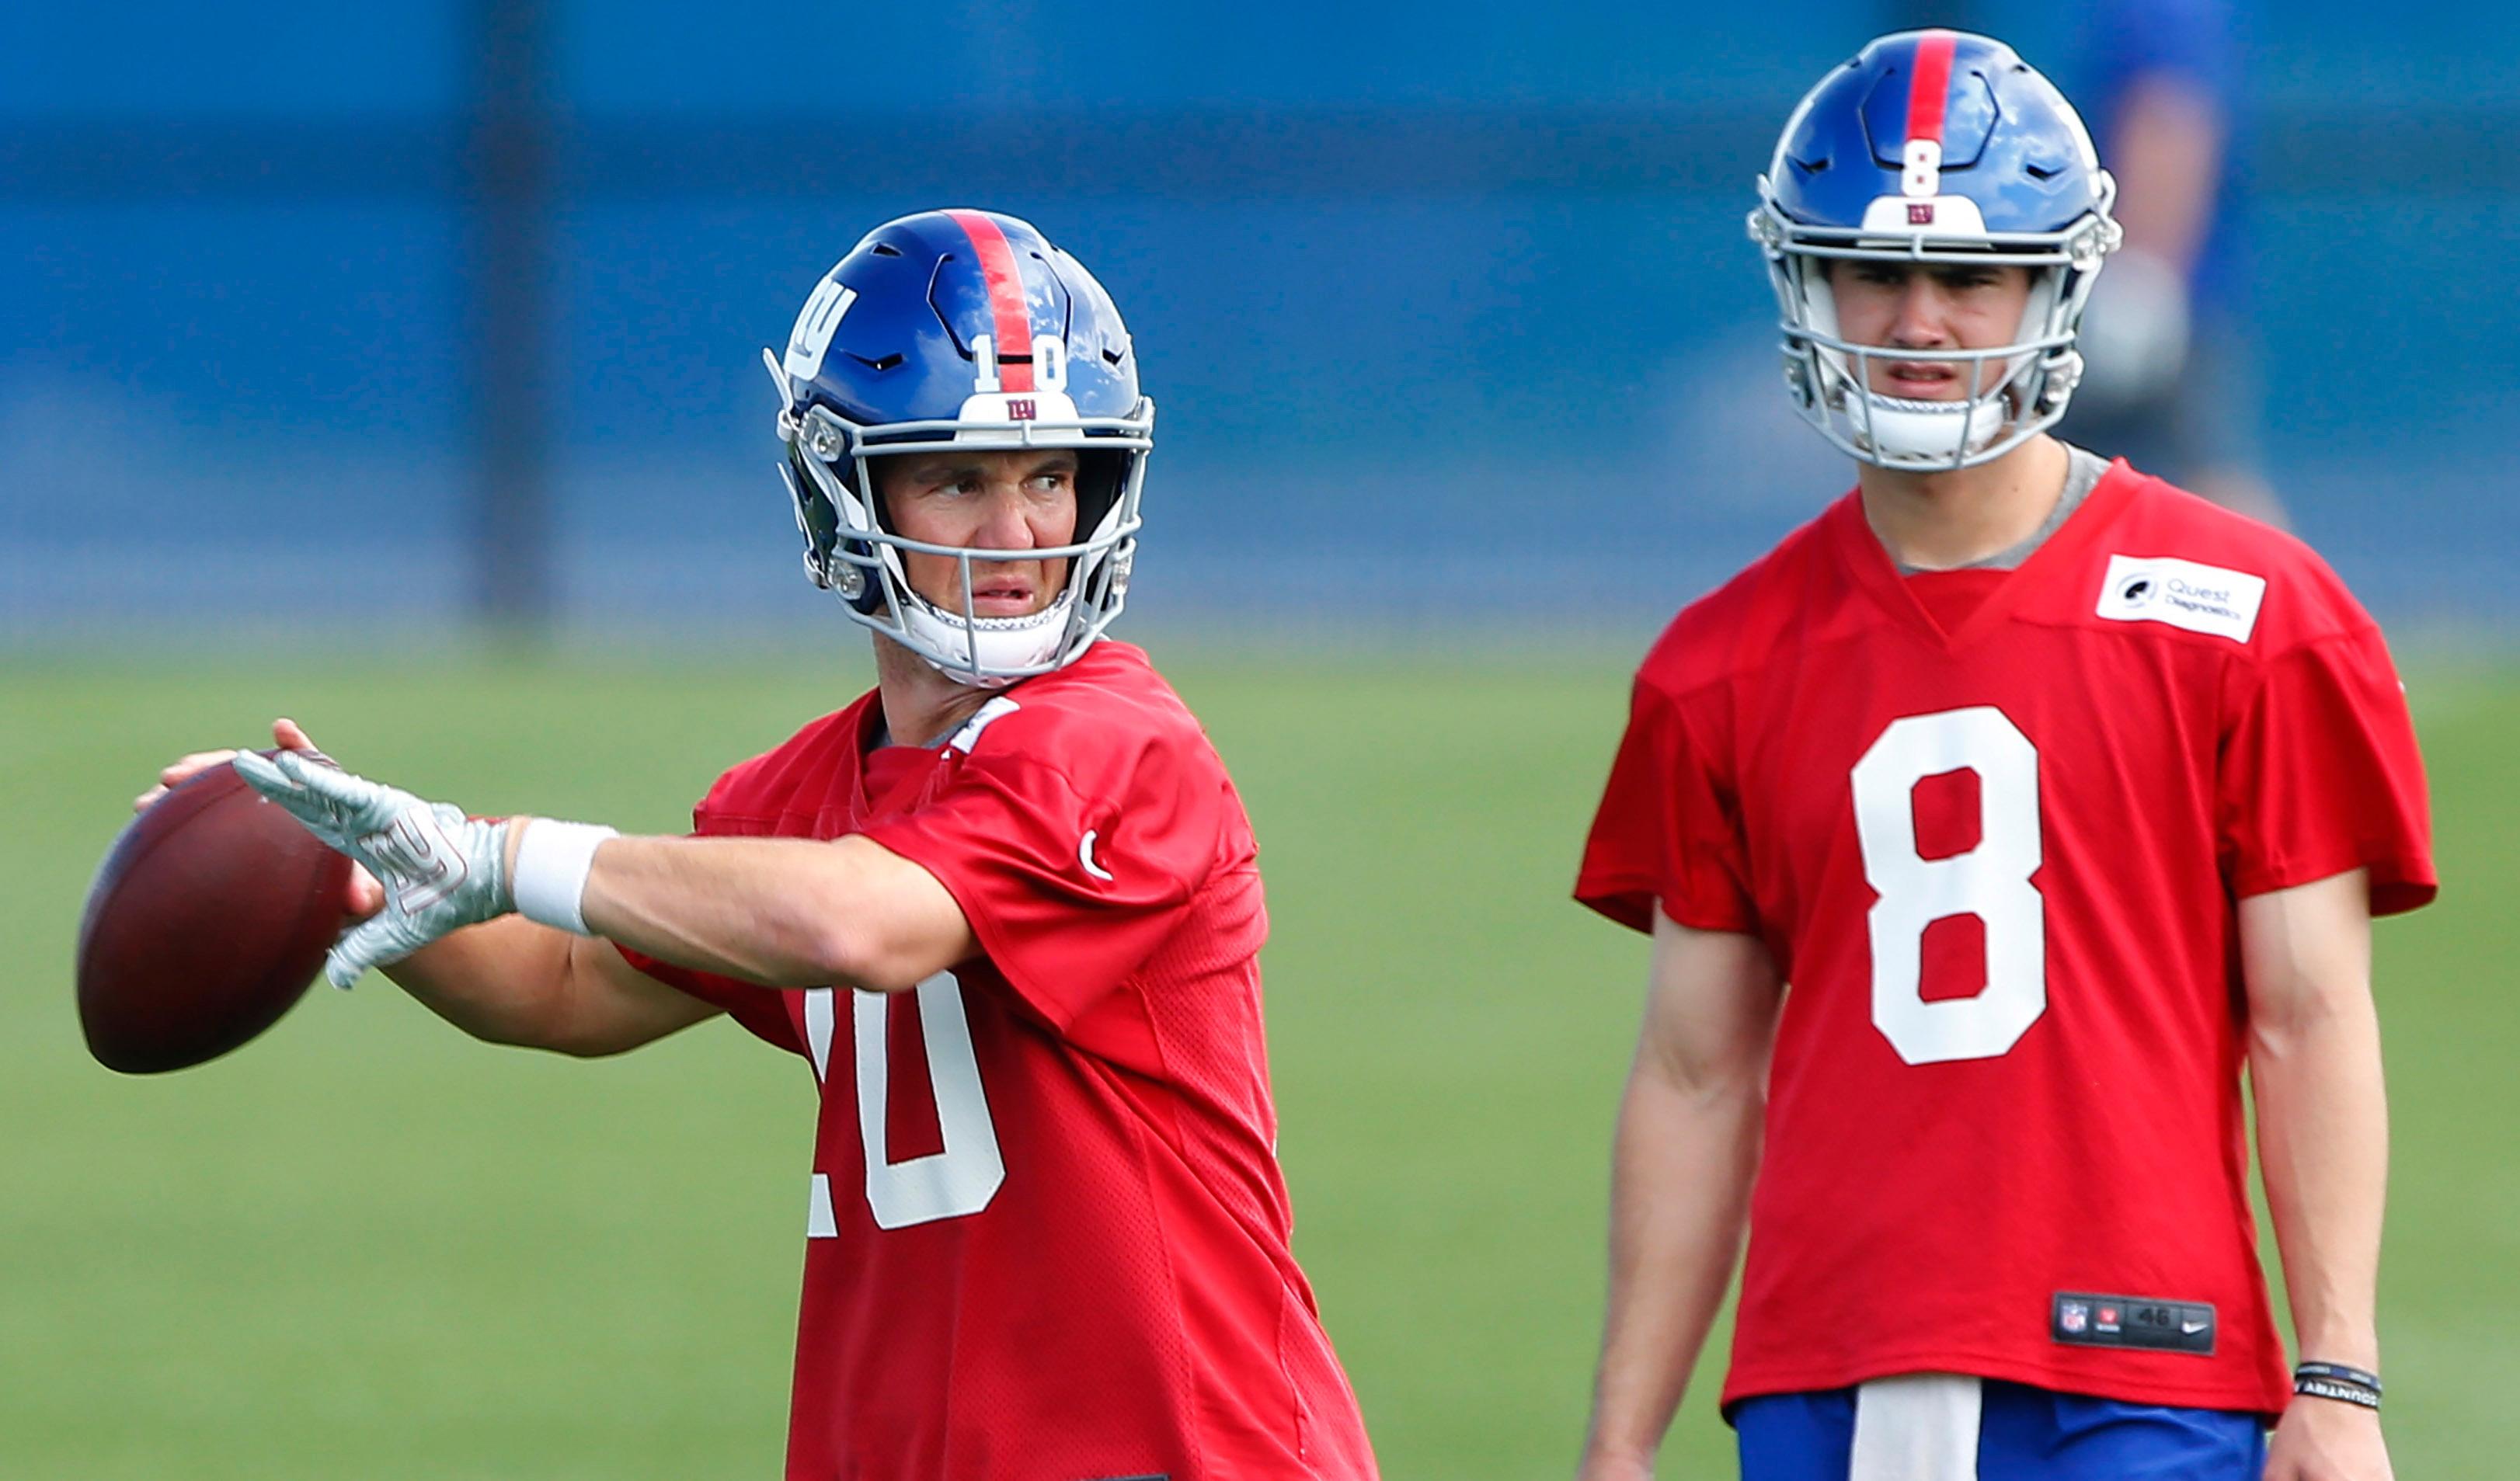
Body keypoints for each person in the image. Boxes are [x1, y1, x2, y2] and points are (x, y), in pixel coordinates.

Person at [141, 209, 1380, 1481]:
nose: (1020, 539)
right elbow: (566, 985)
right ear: (843, 487)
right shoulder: (802, 795)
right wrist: (354, 877)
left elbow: (868, 925)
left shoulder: (1120, 741)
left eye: (1051, 476)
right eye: (958, 479)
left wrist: (501, 852)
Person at [1570, 32, 2429, 1481]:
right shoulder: (1718, 660)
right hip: (1821, 1371)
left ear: (2054, 287)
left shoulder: (2248, 615)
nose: (1917, 319)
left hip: (2145, 1364)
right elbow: (1695, 1074)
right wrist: (1620, 1441)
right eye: (1873, 270)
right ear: (1807, 282)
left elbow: (2310, 1018)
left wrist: (2338, 1378)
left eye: (1971, 277)